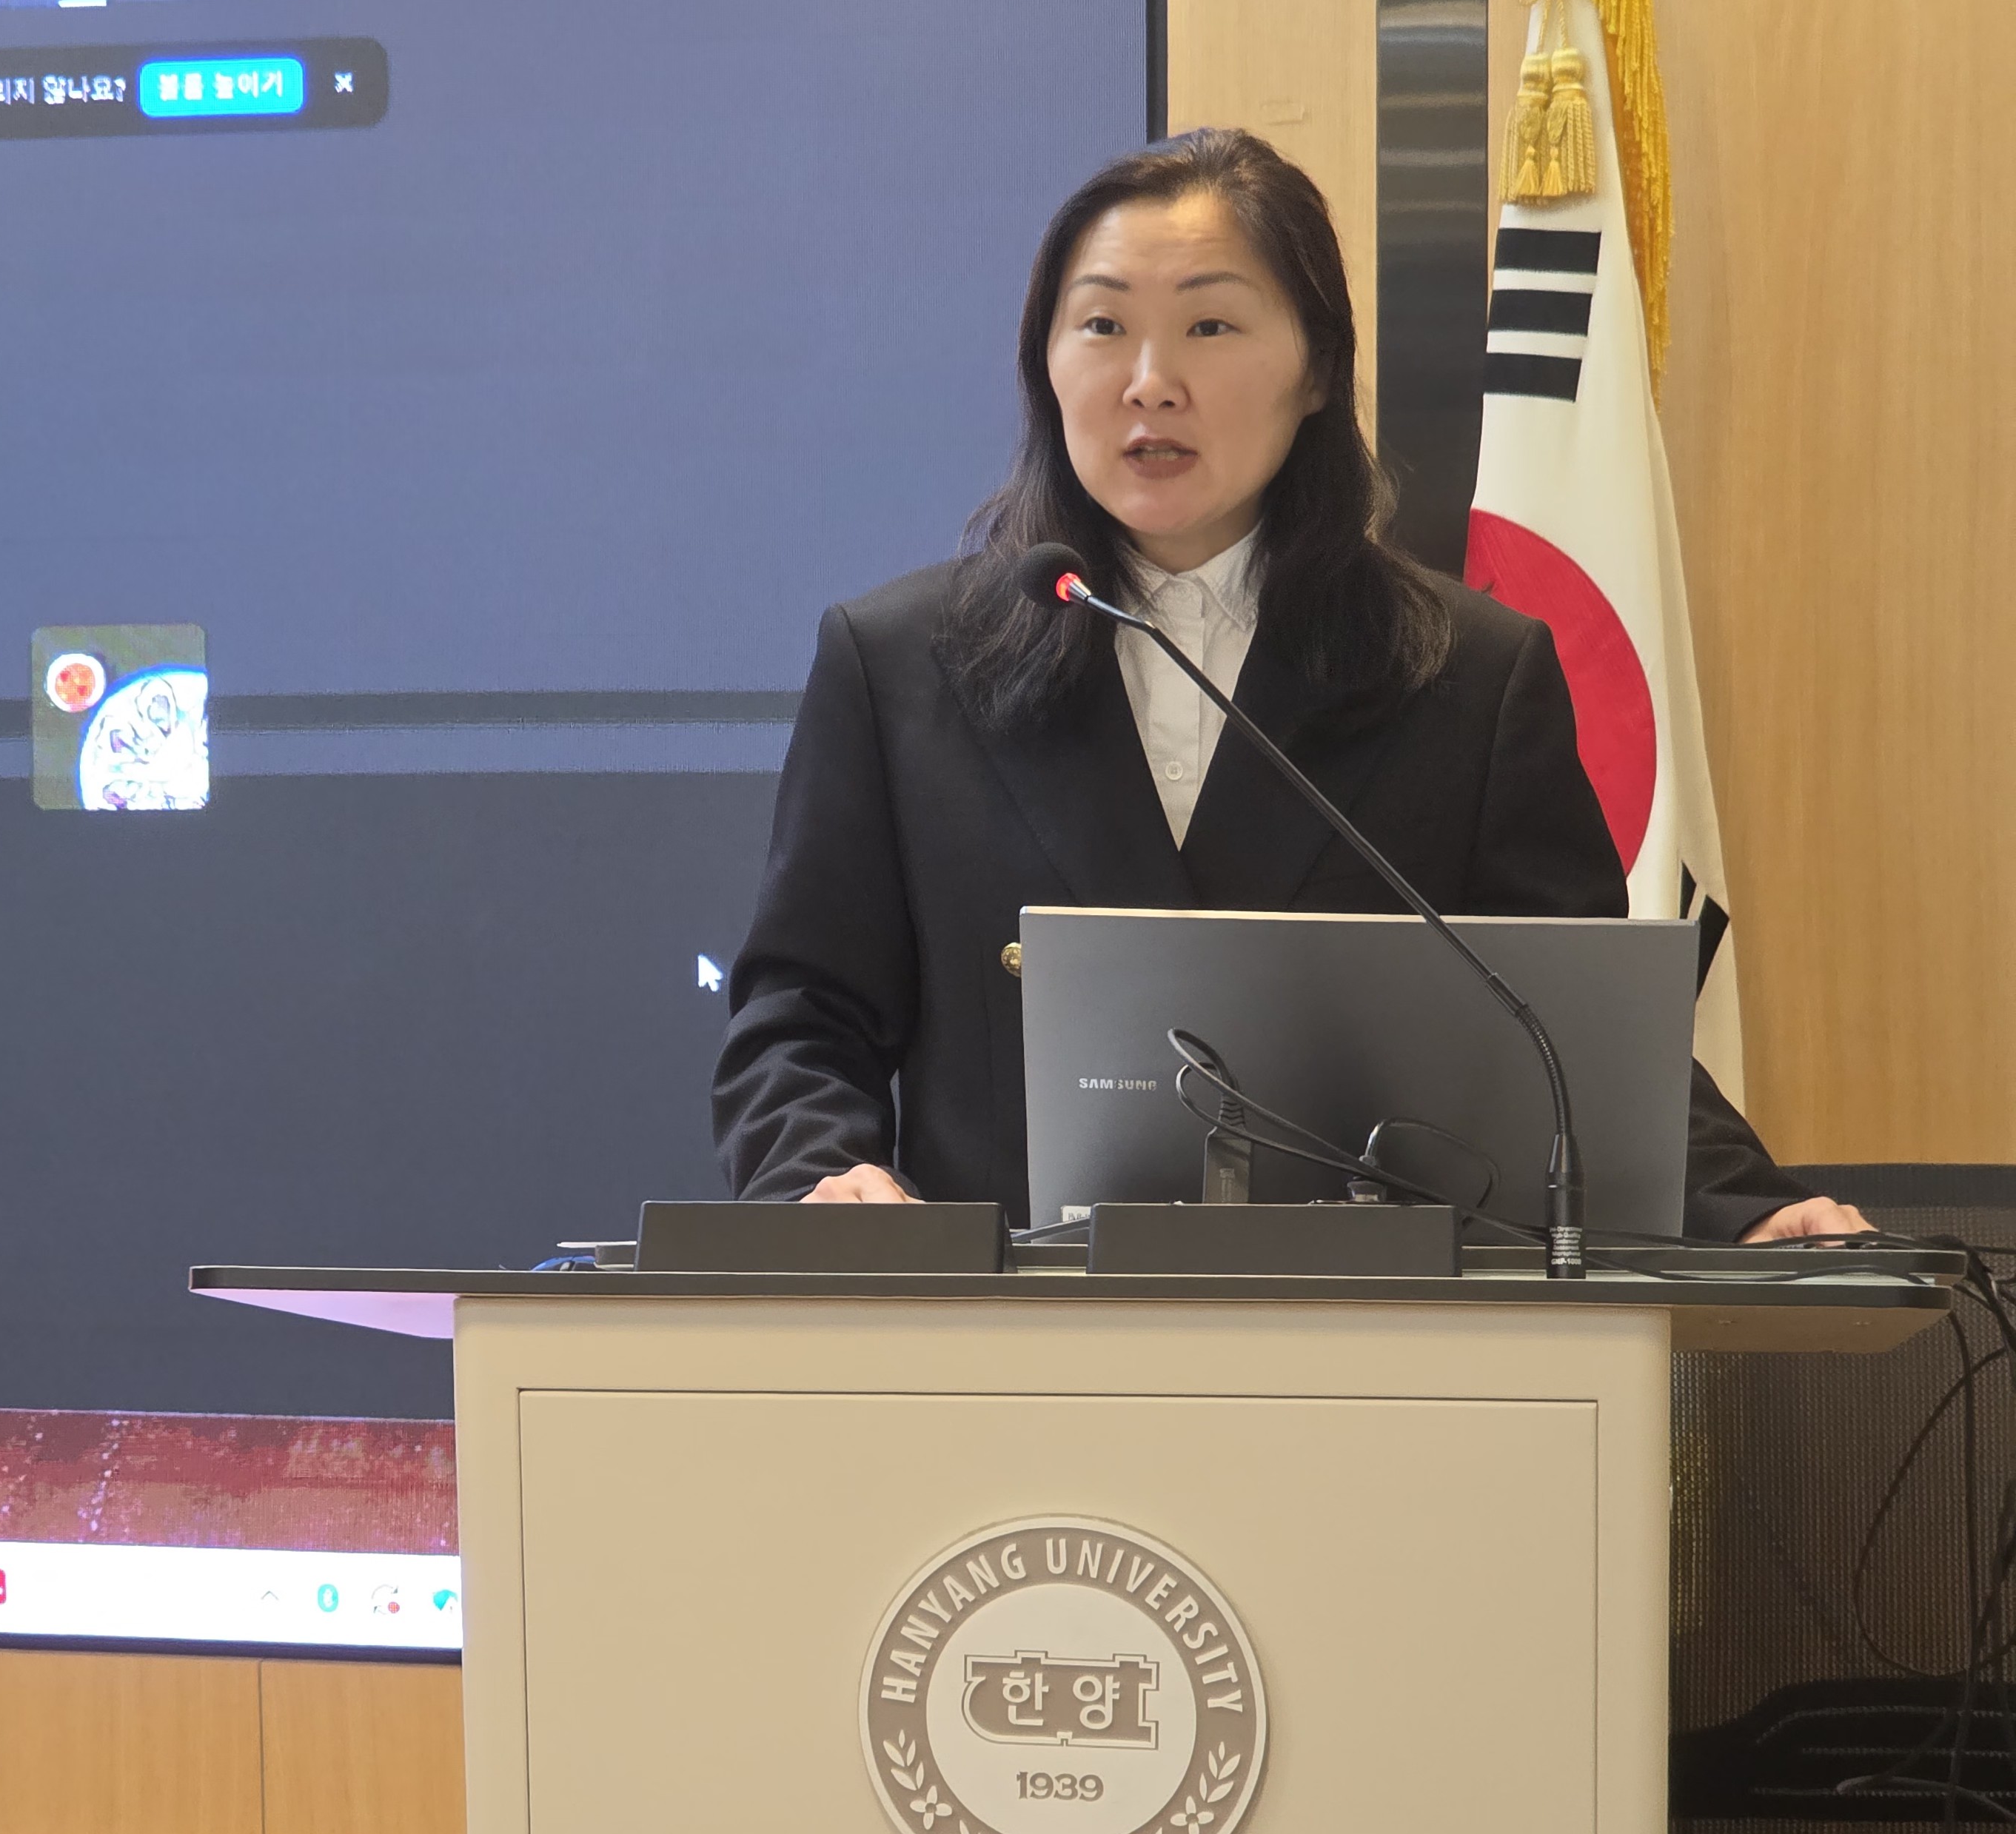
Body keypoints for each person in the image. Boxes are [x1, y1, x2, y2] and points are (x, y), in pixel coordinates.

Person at [713, 127, 1867, 1248]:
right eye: (1103, 326)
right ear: (1045, 364)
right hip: (1012, 1329)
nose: (1150, 384)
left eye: (1209, 325)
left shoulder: (1466, 675)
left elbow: (1567, 1029)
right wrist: (821, 1174)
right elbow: (802, 1019)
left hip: (1364, 1327)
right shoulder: (900, 663)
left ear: (1316, 368)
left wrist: (1740, 1203)